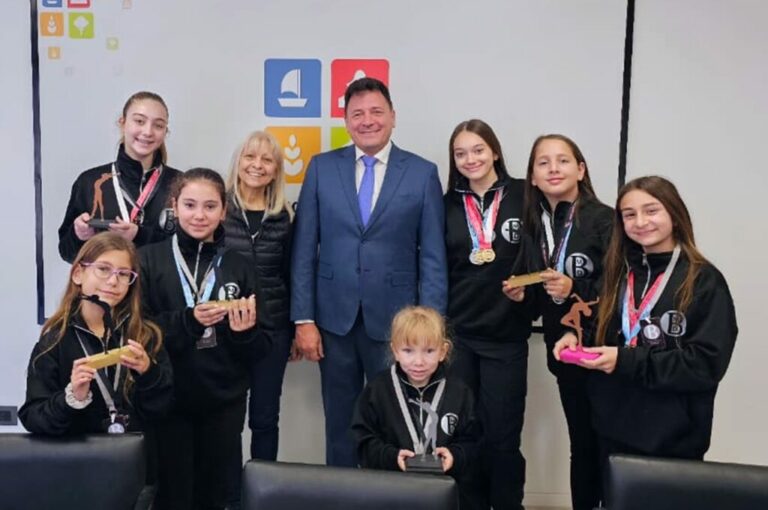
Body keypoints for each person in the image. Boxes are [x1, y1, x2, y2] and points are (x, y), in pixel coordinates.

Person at [291, 77, 448, 467]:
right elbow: (304, 249)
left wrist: (431, 326)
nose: (367, 121)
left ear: (393, 117)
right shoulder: (322, 168)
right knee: (340, 424)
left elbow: (432, 254)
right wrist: (304, 319)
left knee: (397, 424)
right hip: (334, 322)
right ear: (346, 121)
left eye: (376, 112)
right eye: (357, 113)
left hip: (399, 328)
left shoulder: (422, 172)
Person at [554, 176, 737, 480]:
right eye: (629, 214)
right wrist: (575, 335)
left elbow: (705, 365)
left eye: (651, 211)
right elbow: (597, 325)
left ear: (674, 215)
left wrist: (624, 360)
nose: (640, 222)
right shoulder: (617, 274)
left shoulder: (704, 281)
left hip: (674, 439)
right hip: (610, 428)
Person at [139, 168, 270, 510]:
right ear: (174, 206)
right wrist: (188, 320)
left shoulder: (239, 264)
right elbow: (139, 330)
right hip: (168, 399)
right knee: (172, 494)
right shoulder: (149, 259)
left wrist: (244, 334)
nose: (199, 215)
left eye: (210, 206)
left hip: (223, 401)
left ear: (223, 211)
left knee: (218, 494)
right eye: (190, 205)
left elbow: (263, 346)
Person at [506, 134, 613, 510]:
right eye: (543, 162)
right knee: (581, 443)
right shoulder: (535, 224)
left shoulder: (605, 219)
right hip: (565, 355)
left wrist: (574, 285)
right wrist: (525, 295)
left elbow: (618, 285)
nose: (553, 169)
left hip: (605, 354)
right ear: (532, 177)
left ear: (580, 170)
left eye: (563, 161)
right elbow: (542, 298)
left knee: (609, 446)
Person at [19, 232, 173, 484]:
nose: (114, 281)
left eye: (124, 274)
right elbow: (33, 418)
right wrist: (72, 398)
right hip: (77, 472)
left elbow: (163, 409)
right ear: (78, 273)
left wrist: (148, 374)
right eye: (103, 269)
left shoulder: (145, 335)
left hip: (137, 472)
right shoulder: (54, 341)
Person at [444, 119, 535, 510]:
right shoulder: (446, 203)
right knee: (463, 436)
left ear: (495, 151)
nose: (470, 159)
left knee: (502, 438)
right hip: (458, 336)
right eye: (461, 153)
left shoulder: (525, 196)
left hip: (507, 336)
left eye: (478, 150)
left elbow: (543, 257)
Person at [351, 306, 481, 508]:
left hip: (444, 495)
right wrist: (392, 457)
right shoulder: (377, 391)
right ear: (394, 350)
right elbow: (363, 442)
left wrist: (455, 455)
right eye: (408, 351)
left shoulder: (459, 392)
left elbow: (474, 441)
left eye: (429, 351)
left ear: (443, 351)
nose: (418, 362)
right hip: (389, 493)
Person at [223, 130, 294, 461]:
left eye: (267, 159)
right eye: (250, 156)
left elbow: (291, 276)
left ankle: (261, 491)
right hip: (224, 330)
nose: (257, 165)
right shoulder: (216, 211)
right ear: (238, 163)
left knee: (265, 419)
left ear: (277, 170)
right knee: (227, 420)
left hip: (272, 331)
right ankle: (228, 495)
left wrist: (293, 330)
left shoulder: (286, 218)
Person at [58, 91, 180, 263]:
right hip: (109, 286)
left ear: (165, 132)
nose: (148, 131)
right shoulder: (90, 181)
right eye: (139, 121)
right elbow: (67, 252)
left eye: (158, 125)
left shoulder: (180, 184)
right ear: (122, 123)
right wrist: (79, 235)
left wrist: (139, 235)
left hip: (161, 289)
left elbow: (192, 248)